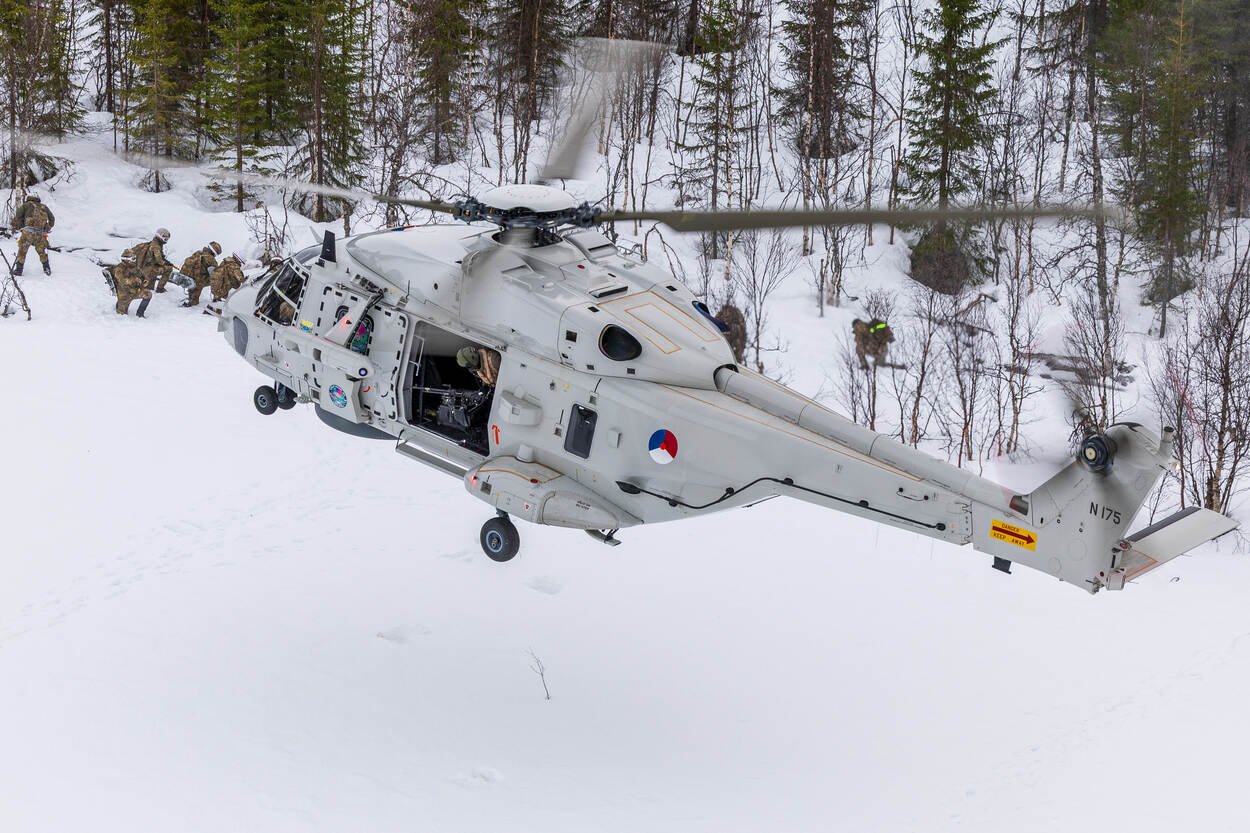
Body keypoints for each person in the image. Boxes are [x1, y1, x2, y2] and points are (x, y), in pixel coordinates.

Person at [12, 193, 54, 276]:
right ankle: (46, 268)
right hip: (40, 233)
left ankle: (19, 270)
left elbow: (18, 216)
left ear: (29, 198)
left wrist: (22, 227)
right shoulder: (44, 207)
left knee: (22, 250)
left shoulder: (26, 205)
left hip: (28, 232)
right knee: (41, 251)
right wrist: (47, 228)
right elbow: (52, 219)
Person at [178, 241, 222, 307]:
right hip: (198, 281)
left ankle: (191, 296)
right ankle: (216, 299)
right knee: (218, 279)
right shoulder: (211, 259)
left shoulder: (198, 252)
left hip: (188, 277)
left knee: (198, 279)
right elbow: (215, 275)